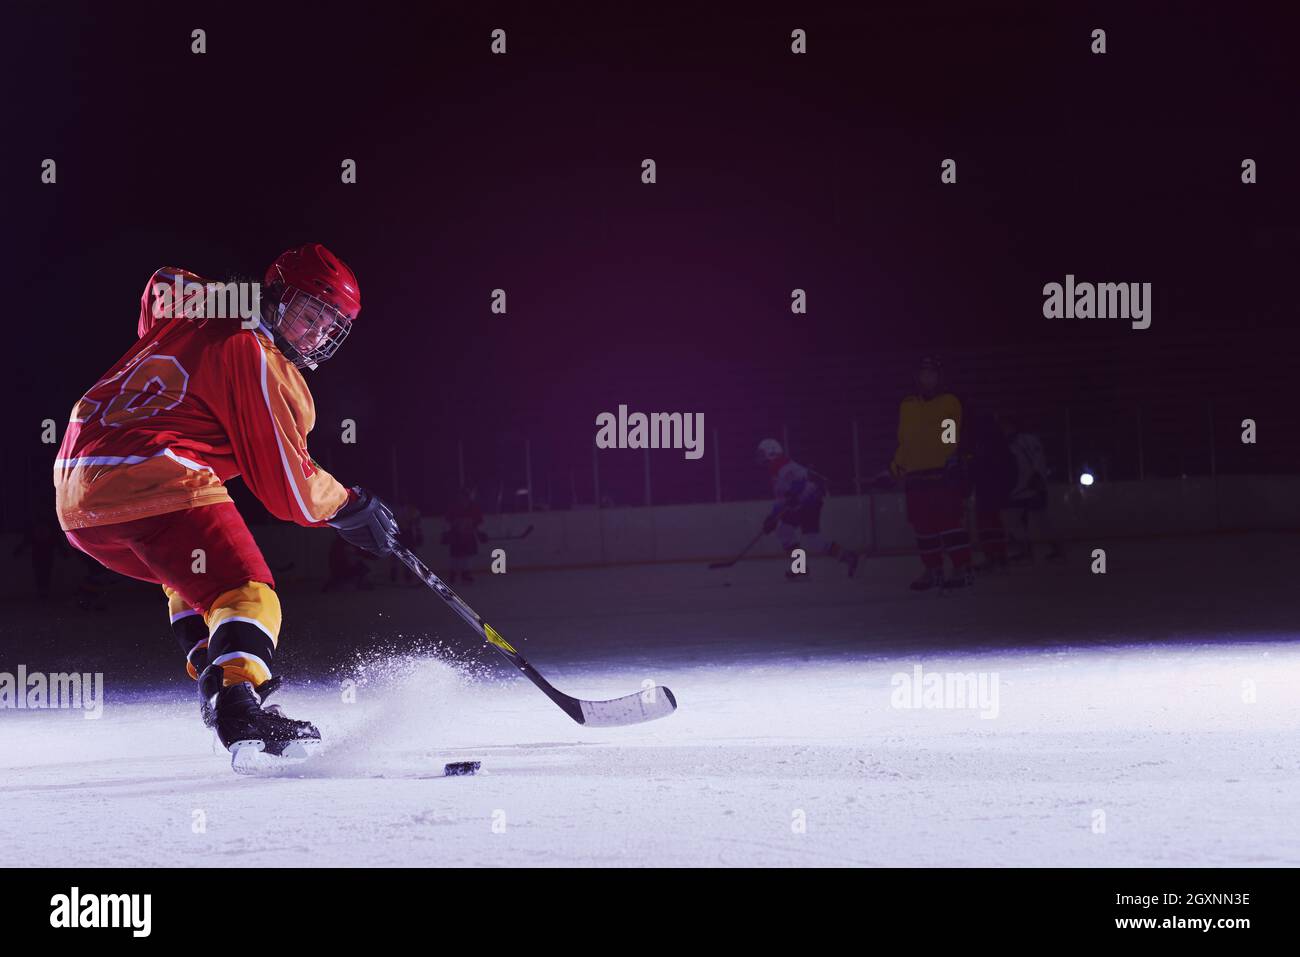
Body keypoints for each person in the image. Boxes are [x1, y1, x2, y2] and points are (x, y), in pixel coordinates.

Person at [53, 244, 399, 763]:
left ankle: (219, 683)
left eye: (331, 328)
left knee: (191, 581)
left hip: (76, 494)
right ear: (277, 297)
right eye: (309, 314)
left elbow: (159, 286)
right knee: (247, 592)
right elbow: (291, 490)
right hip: (151, 473)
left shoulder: (206, 305)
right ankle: (239, 707)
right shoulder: (260, 358)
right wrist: (351, 506)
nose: (317, 334)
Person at [890, 356, 973, 590]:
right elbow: (904, 440)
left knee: (950, 524)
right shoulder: (907, 404)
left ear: (939, 377)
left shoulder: (949, 401)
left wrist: (950, 460)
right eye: (923, 374)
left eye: (932, 374)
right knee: (922, 526)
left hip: (942, 473)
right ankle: (932, 569)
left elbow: (950, 435)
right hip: (916, 476)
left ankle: (962, 568)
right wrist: (895, 467)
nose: (927, 378)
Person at [755, 439, 858, 579]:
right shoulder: (776, 471)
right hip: (799, 505)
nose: (760, 458)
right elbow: (782, 499)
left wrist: (794, 494)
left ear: (771, 453)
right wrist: (772, 516)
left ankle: (847, 556)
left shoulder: (785, 466)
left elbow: (802, 481)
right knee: (784, 531)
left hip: (810, 502)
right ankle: (800, 568)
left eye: (762, 454)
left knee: (813, 540)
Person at [963, 407, 1017, 572]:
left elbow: (976, 465)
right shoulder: (997, 440)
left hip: (986, 487)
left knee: (986, 523)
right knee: (993, 522)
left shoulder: (983, 442)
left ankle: (993, 556)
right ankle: (999, 556)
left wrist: (969, 483)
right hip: (993, 487)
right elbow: (1009, 465)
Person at [1004, 417, 1063, 562]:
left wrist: (1037, 477)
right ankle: (1031, 550)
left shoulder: (1026, 441)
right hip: (1021, 488)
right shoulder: (1012, 443)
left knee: (1038, 520)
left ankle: (1052, 549)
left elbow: (1038, 459)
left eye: (1006, 426)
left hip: (1031, 486)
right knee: (1016, 520)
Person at [442, 488, 486, 584]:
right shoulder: (453, 508)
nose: (462, 499)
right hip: (456, 534)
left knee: (467, 554)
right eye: (460, 497)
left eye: (464, 497)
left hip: (468, 534)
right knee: (455, 555)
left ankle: (465, 573)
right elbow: (447, 521)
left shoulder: (474, 508)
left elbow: (479, 522)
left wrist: (479, 532)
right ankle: (453, 573)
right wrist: (446, 532)